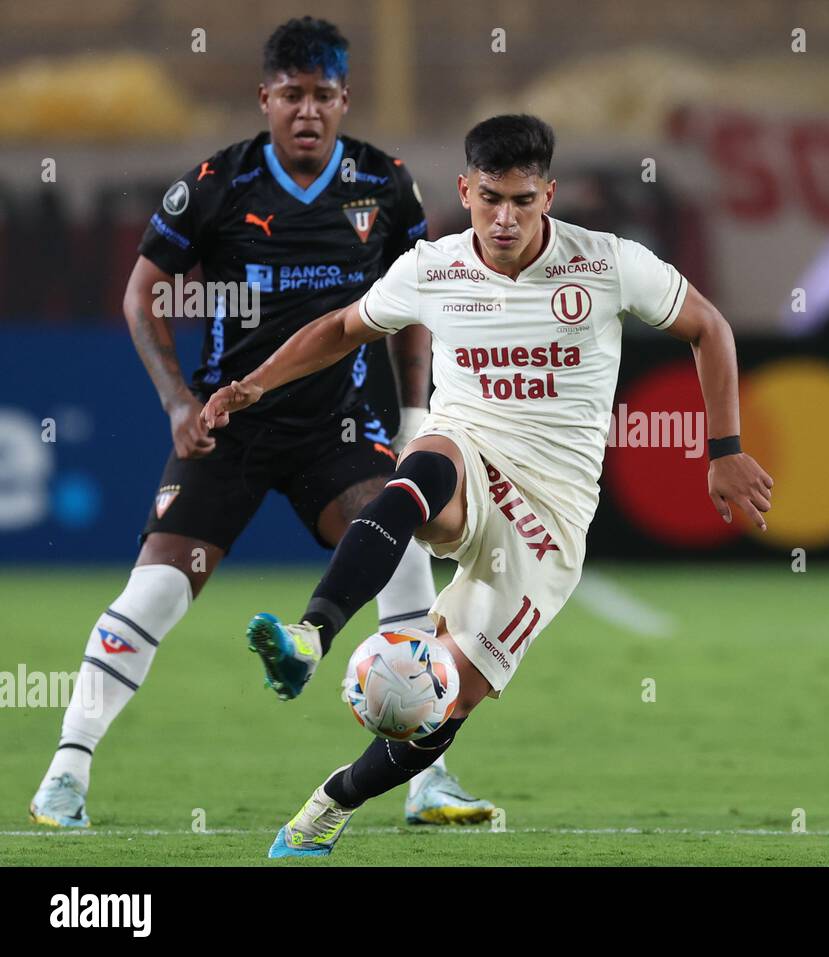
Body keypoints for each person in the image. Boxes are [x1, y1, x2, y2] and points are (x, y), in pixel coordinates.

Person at [200, 114, 774, 857]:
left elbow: (709, 328)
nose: (506, 219)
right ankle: (312, 635)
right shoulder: (432, 267)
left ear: (549, 195)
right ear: (466, 189)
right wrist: (253, 384)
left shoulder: (606, 264)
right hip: (468, 448)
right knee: (422, 466)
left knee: (444, 698)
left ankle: (331, 802)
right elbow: (344, 328)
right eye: (491, 198)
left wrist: (723, 448)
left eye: (525, 201)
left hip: (551, 509)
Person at [29, 16, 491, 831]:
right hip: (228, 425)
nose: (307, 110)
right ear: (265, 98)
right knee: (160, 588)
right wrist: (177, 400)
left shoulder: (384, 184)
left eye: (322, 95)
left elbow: (419, 298)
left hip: (339, 428)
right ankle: (66, 771)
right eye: (291, 95)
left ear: (345, 99)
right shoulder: (217, 184)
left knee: (403, 552)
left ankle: (431, 776)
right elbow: (142, 293)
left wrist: (416, 409)